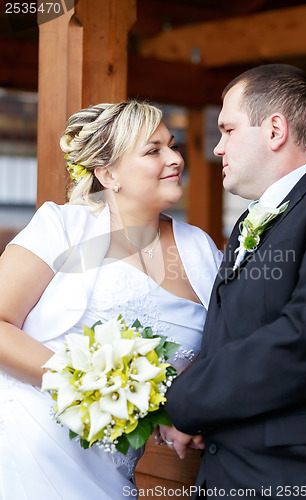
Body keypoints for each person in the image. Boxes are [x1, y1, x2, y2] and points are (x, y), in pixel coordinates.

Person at [0, 100, 222, 499]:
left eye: (173, 145)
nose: (175, 159)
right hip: (24, 447)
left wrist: (182, 409)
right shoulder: (63, 227)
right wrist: (89, 386)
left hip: (114, 467)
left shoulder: (203, 250)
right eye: (154, 151)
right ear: (108, 174)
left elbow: (221, 347)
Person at [164, 64, 306, 497]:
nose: (217, 148)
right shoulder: (248, 221)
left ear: (275, 130)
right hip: (231, 472)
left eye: (228, 129)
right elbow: (236, 335)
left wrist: (186, 401)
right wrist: (208, 415)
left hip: (298, 474)